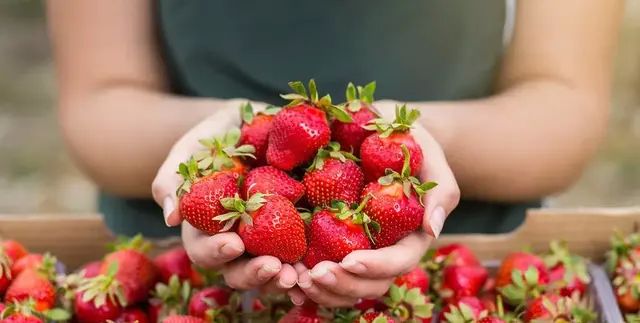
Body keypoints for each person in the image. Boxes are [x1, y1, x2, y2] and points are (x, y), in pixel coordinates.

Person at [47, 0, 622, 307]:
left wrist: (415, 134)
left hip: (465, 264)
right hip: (179, 268)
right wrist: (221, 138)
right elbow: (97, 105)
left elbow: (564, 108)